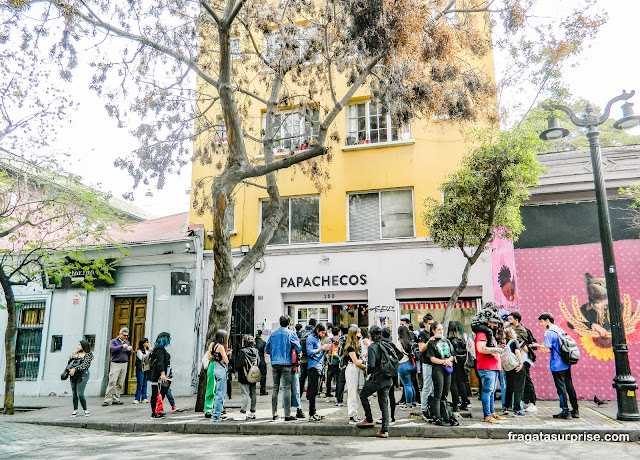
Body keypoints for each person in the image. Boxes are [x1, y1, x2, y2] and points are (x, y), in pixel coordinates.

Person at [533, 312, 579, 419]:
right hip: (566, 362)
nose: (540, 324)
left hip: (556, 365)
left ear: (547, 320)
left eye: (541, 321)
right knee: (569, 386)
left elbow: (548, 349)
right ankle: (575, 410)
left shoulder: (548, 333)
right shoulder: (559, 330)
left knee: (560, 387)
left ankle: (565, 410)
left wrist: (538, 345)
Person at [356, 325, 400, 438]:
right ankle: (384, 429)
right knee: (383, 403)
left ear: (370, 335)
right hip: (388, 378)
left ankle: (369, 419)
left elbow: (371, 366)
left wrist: (364, 366)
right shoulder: (386, 344)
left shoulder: (372, 347)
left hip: (377, 378)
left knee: (363, 395)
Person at [265, 315, 301, 421]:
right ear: (289, 323)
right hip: (287, 363)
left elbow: (267, 348)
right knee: (286, 388)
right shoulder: (291, 333)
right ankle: (287, 414)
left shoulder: (273, 334)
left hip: (275, 363)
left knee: (275, 388)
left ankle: (274, 413)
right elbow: (298, 347)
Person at [426, 322, 458, 426]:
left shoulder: (447, 341)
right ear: (434, 331)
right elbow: (432, 358)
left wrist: (448, 361)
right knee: (438, 393)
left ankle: (445, 414)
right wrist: (444, 362)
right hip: (438, 368)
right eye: (438, 330)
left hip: (447, 368)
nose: (441, 331)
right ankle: (437, 417)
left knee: (445, 392)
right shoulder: (432, 343)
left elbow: (453, 355)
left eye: (442, 329)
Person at [475, 313, 504, 423]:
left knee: (491, 391)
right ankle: (487, 415)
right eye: (494, 323)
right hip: (486, 366)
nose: (496, 325)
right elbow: (481, 349)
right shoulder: (482, 334)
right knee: (487, 391)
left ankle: (492, 413)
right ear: (488, 323)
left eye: (497, 323)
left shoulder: (490, 335)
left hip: (493, 366)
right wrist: (495, 350)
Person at [508, 312, 538, 412]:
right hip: (519, 359)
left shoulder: (520, 330)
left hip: (523, 359)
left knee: (527, 380)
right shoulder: (513, 328)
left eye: (511, 319)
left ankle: (532, 402)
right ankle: (526, 401)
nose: (509, 320)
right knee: (521, 382)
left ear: (516, 320)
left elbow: (520, 343)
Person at [306, 322, 332, 422]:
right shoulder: (310, 338)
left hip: (319, 366)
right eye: (322, 333)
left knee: (316, 391)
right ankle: (311, 413)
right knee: (313, 391)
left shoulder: (318, 339)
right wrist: (322, 348)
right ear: (317, 331)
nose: (323, 335)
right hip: (313, 367)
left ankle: (314, 412)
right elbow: (309, 352)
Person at [342, 326, 367, 424]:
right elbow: (356, 361)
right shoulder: (350, 347)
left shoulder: (355, 345)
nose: (360, 335)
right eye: (358, 333)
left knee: (356, 393)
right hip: (352, 369)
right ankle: (352, 415)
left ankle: (355, 414)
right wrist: (365, 366)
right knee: (352, 392)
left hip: (355, 368)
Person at [204, 329, 230, 421]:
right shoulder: (221, 347)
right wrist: (224, 356)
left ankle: (208, 409)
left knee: (210, 387)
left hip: (212, 366)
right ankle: (217, 411)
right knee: (219, 390)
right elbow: (226, 360)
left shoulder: (211, 344)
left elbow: (210, 357)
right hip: (219, 367)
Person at [103, 327, 132, 406]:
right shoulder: (114, 341)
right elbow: (111, 349)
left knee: (120, 382)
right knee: (112, 381)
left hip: (124, 363)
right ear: (120, 334)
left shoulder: (127, 342)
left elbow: (128, 354)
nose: (126, 337)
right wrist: (122, 346)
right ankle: (107, 399)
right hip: (115, 363)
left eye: (127, 336)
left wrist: (129, 351)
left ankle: (116, 399)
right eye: (124, 335)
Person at [234, 334, 259, 421]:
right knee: (253, 393)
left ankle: (243, 411)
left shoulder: (242, 352)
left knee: (245, 394)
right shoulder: (256, 351)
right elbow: (258, 362)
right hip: (253, 375)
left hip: (244, 376)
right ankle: (252, 412)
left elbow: (238, 365)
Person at [504, 327, 526, 416]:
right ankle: (516, 409)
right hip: (516, 366)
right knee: (518, 389)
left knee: (510, 388)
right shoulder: (515, 341)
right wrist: (520, 364)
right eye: (513, 332)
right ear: (511, 334)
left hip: (509, 368)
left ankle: (506, 407)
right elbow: (517, 352)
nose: (515, 333)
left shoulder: (507, 343)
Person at [447, 323, 470, 412]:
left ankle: (456, 403)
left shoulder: (449, 340)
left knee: (453, 383)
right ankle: (465, 402)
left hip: (453, 362)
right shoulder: (461, 339)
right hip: (461, 363)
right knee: (461, 382)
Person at [148, 332, 171, 418]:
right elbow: (160, 363)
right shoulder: (160, 350)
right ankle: (155, 412)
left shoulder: (158, 349)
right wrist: (163, 374)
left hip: (157, 375)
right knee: (156, 393)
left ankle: (158, 410)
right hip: (157, 376)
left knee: (158, 393)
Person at [68, 340, 93, 417]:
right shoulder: (76, 354)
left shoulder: (88, 354)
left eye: (79, 345)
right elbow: (70, 364)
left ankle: (85, 410)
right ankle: (75, 409)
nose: (77, 346)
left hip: (82, 375)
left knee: (80, 393)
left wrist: (75, 369)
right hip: (73, 375)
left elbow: (85, 365)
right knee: (74, 393)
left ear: (83, 346)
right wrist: (71, 358)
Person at [396, 325, 417, 409]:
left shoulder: (399, 342)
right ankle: (414, 401)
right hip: (412, 364)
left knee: (407, 385)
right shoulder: (411, 341)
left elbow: (397, 354)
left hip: (403, 365)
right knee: (411, 384)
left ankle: (408, 404)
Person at [418, 318, 434, 420]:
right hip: (427, 363)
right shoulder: (422, 334)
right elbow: (421, 348)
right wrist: (429, 341)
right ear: (425, 324)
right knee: (427, 386)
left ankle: (431, 407)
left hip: (436, 363)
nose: (431, 325)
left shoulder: (434, 332)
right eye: (429, 324)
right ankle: (424, 409)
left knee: (433, 388)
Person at [299, 319, 316, 395]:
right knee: (311, 378)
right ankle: (309, 395)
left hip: (303, 359)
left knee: (302, 377)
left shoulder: (302, 332)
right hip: (311, 358)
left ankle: (299, 393)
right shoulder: (313, 333)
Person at [134, 338, 151, 404]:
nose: (148, 343)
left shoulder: (147, 350)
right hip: (140, 368)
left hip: (146, 368)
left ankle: (144, 397)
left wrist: (150, 352)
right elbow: (142, 358)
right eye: (146, 342)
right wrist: (149, 353)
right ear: (143, 343)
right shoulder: (139, 351)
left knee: (145, 383)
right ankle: (137, 397)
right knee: (140, 383)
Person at [255, 330, 268, 396]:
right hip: (261, 360)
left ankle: (252, 390)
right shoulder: (263, 342)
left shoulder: (253, 343)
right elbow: (266, 351)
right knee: (263, 375)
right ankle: (262, 390)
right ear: (261, 335)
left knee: (253, 374)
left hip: (254, 360)